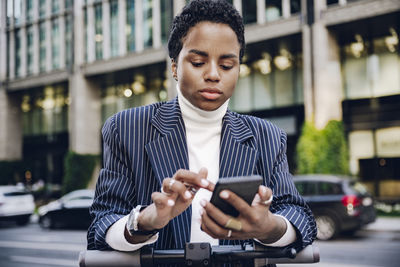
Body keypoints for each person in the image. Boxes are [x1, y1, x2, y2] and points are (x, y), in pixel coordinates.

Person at [87, 0, 316, 260]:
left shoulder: (268, 136)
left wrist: (269, 227)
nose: (213, 75)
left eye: (227, 65)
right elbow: (101, 225)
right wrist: (144, 220)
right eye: (198, 62)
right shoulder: (126, 129)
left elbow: (301, 217)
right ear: (174, 66)